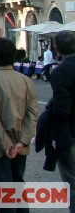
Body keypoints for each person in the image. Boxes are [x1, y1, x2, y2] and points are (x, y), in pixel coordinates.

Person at [0, 37, 37, 213]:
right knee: (18, 185)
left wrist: (6, 145)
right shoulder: (27, 81)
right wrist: (22, 142)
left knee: (4, 191)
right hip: (20, 143)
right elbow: (33, 114)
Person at [47, 31, 75, 212]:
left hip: (70, 134)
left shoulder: (60, 72)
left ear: (57, 47)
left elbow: (62, 108)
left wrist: (48, 116)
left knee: (72, 183)